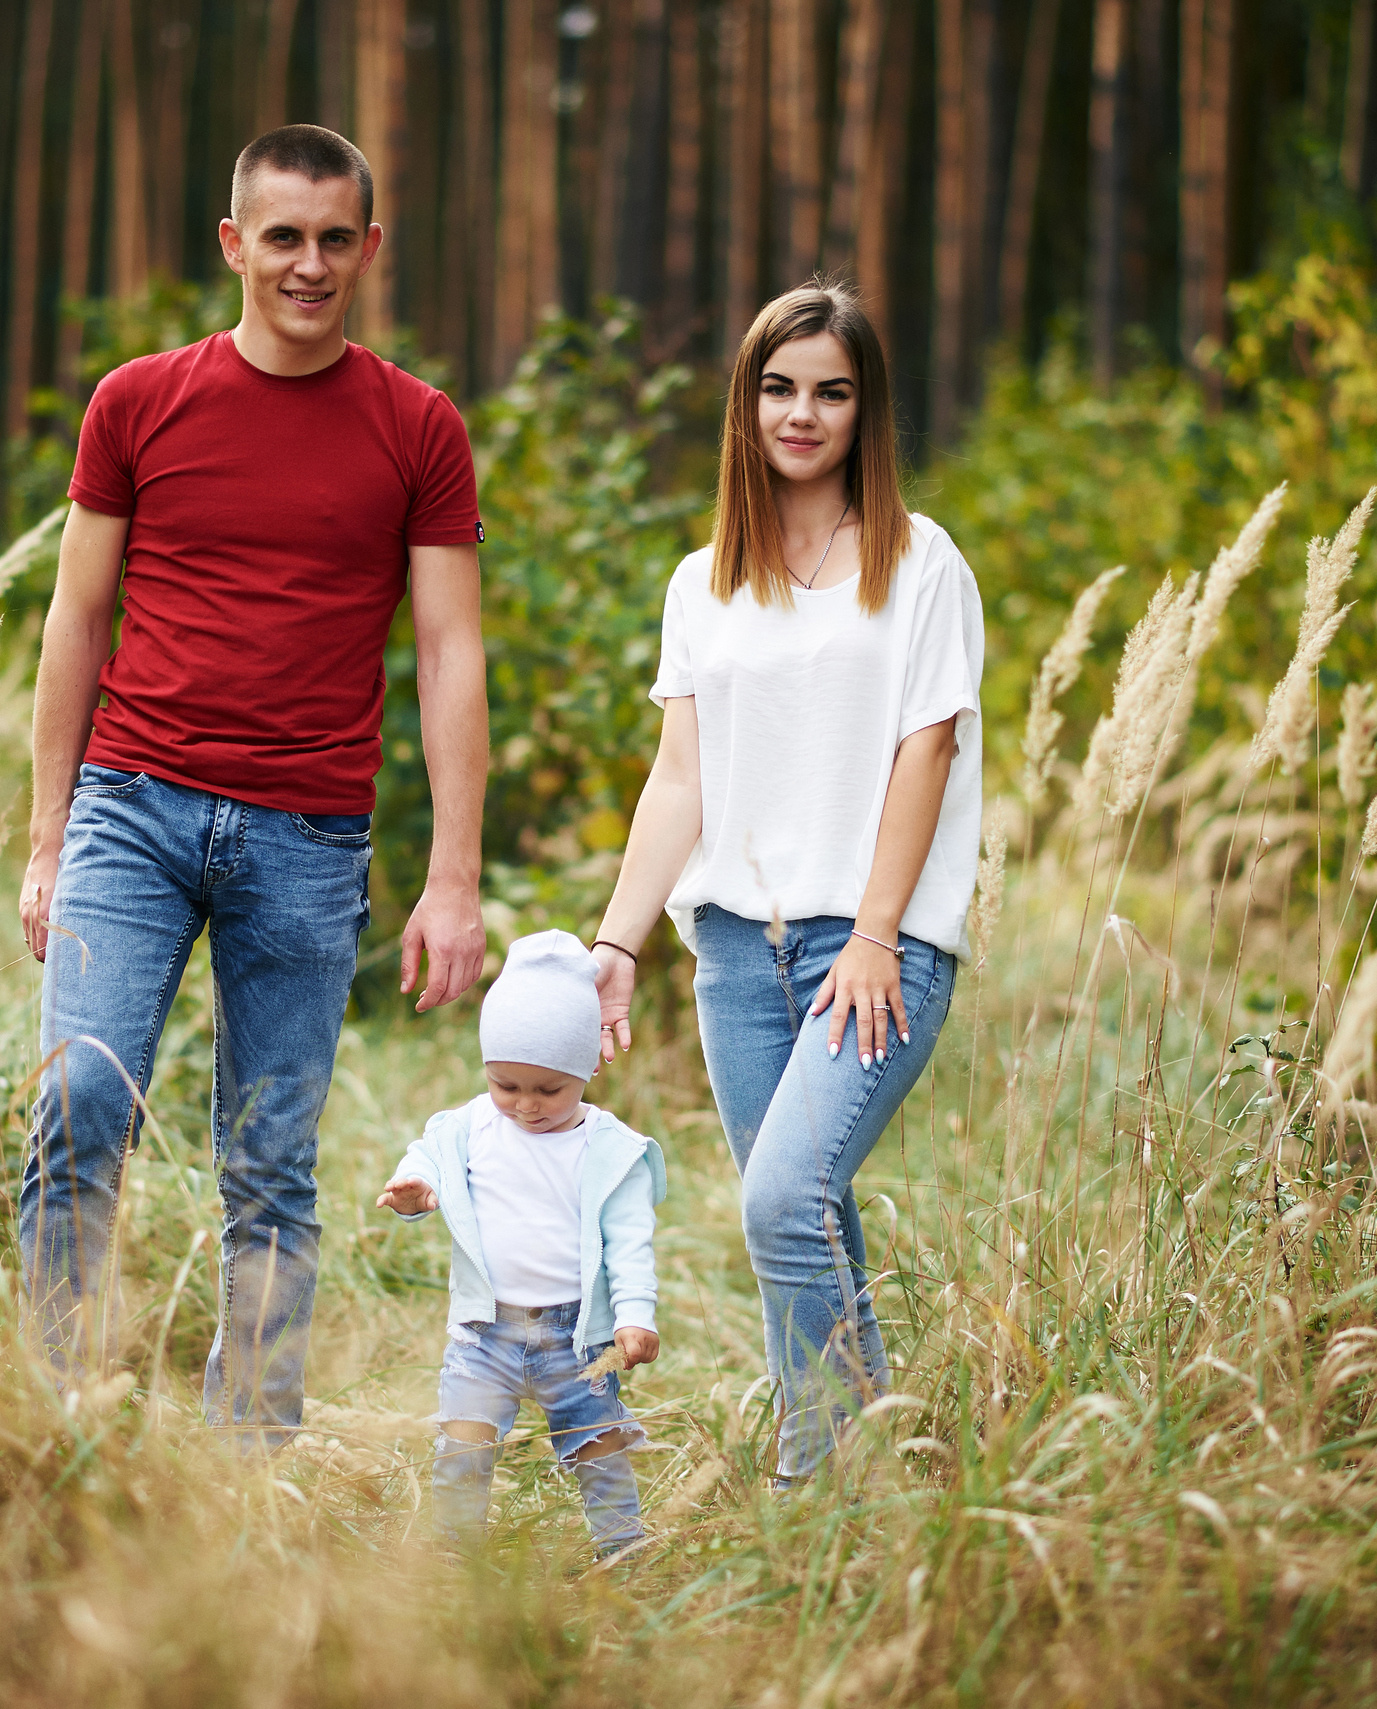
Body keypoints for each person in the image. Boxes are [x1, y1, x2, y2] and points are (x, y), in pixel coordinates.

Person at [16, 125, 490, 1447]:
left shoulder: (417, 427)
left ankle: (253, 1459)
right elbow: (76, 618)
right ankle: (48, 1426)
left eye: (337, 238)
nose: (310, 264)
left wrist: (453, 879)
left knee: (270, 1161)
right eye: (283, 235)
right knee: (79, 1099)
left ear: (370, 250)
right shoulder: (139, 401)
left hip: (309, 835)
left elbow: (452, 654)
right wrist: (48, 839)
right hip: (134, 807)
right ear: (234, 244)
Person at [585, 282, 984, 1484]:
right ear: (745, 402)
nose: (800, 413)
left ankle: (813, 1485)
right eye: (778, 387)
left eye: (831, 391)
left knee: (779, 1205)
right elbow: (679, 778)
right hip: (735, 955)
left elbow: (928, 747)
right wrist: (618, 939)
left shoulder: (920, 564)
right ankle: (869, 1485)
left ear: (867, 410)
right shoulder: (702, 579)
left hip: (872, 952)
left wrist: (873, 933)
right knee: (803, 1217)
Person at [377, 931, 664, 1559]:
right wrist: (414, 1188)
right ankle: (455, 1553)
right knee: (464, 1443)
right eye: (506, 1085)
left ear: (588, 1066)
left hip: (575, 1338)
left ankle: (622, 1547)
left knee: (599, 1445)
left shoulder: (610, 1151)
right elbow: (427, 1161)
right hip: (487, 1333)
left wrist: (636, 1315)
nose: (526, 1106)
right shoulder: (470, 1127)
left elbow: (630, 1242)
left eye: (548, 1090)